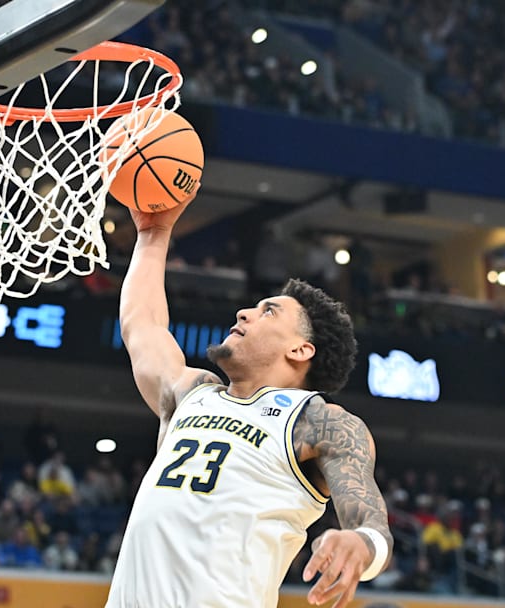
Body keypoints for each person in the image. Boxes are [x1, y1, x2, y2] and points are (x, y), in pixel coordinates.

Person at [105, 191, 393, 608]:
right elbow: (142, 325)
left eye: (269, 311)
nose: (244, 313)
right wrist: (154, 234)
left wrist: (361, 545)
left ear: (300, 350)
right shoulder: (191, 394)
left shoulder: (320, 423)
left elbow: (371, 521)